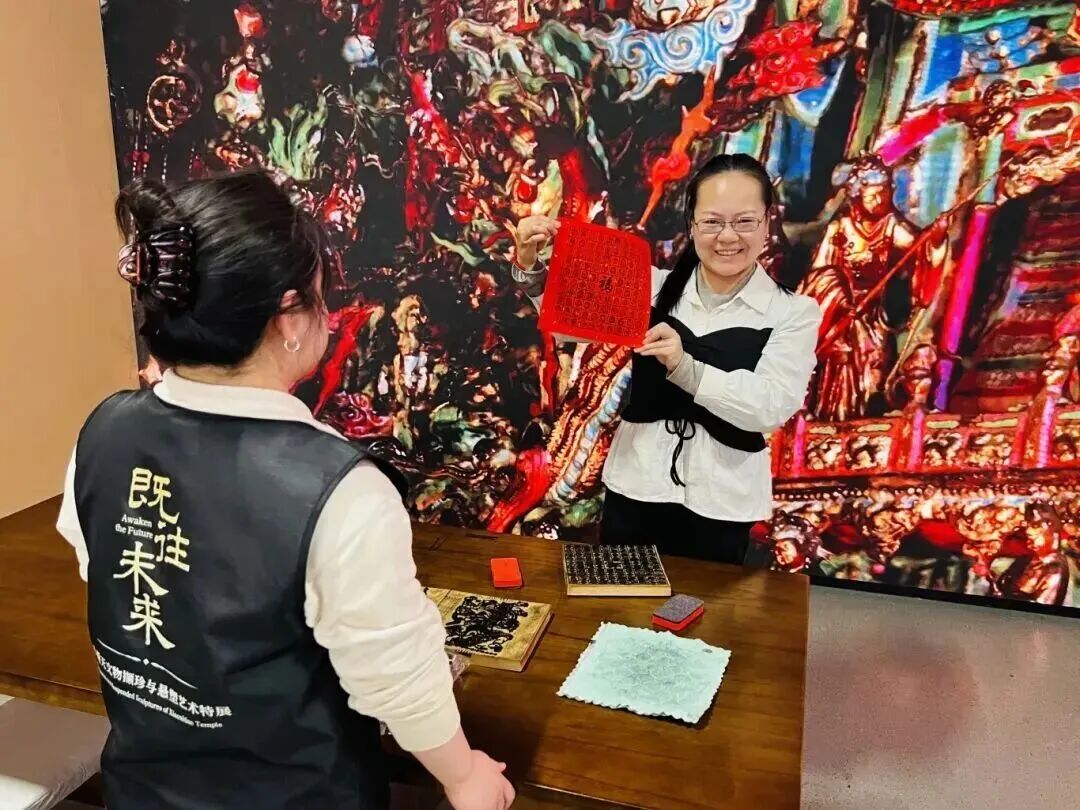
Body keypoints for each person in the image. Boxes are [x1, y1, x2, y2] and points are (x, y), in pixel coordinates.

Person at [55, 170, 515, 810]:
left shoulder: (102, 430)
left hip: (144, 791)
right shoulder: (340, 489)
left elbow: (109, 573)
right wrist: (464, 776)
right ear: (290, 316)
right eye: (324, 295)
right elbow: (397, 676)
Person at [512, 154, 822, 563]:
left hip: (723, 501)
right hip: (635, 485)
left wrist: (685, 366)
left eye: (745, 221)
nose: (727, 236)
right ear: (692, 225)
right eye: (712, 221)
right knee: (622, 598)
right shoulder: (651, 285)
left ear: (767, 222)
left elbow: (770, 406)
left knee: (703, 602)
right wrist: (530, 266)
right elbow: (571, 325)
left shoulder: (794, 312)